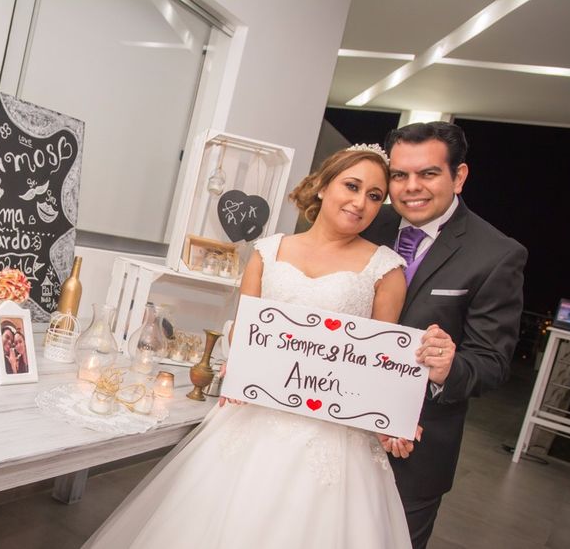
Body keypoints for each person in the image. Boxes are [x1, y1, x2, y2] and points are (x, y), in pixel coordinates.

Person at [85, 145, 417, 548]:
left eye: (375, 196)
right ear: (324, 185)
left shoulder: (385, 268)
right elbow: (246, 331)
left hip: (332, 436)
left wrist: (392, 416)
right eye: (352, 186)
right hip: (256, 418)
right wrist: (238, 367)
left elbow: (380, 362)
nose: (360, 202)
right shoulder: (268, 252)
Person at [361, 122, 527, 548]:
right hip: (335, 428)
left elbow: (491, 363)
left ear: (459, 176)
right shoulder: (364, 225)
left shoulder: (496, 253)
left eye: (428, 174)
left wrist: (449, 368)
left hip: (414, 451)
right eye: (399, 175)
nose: (411, 187)